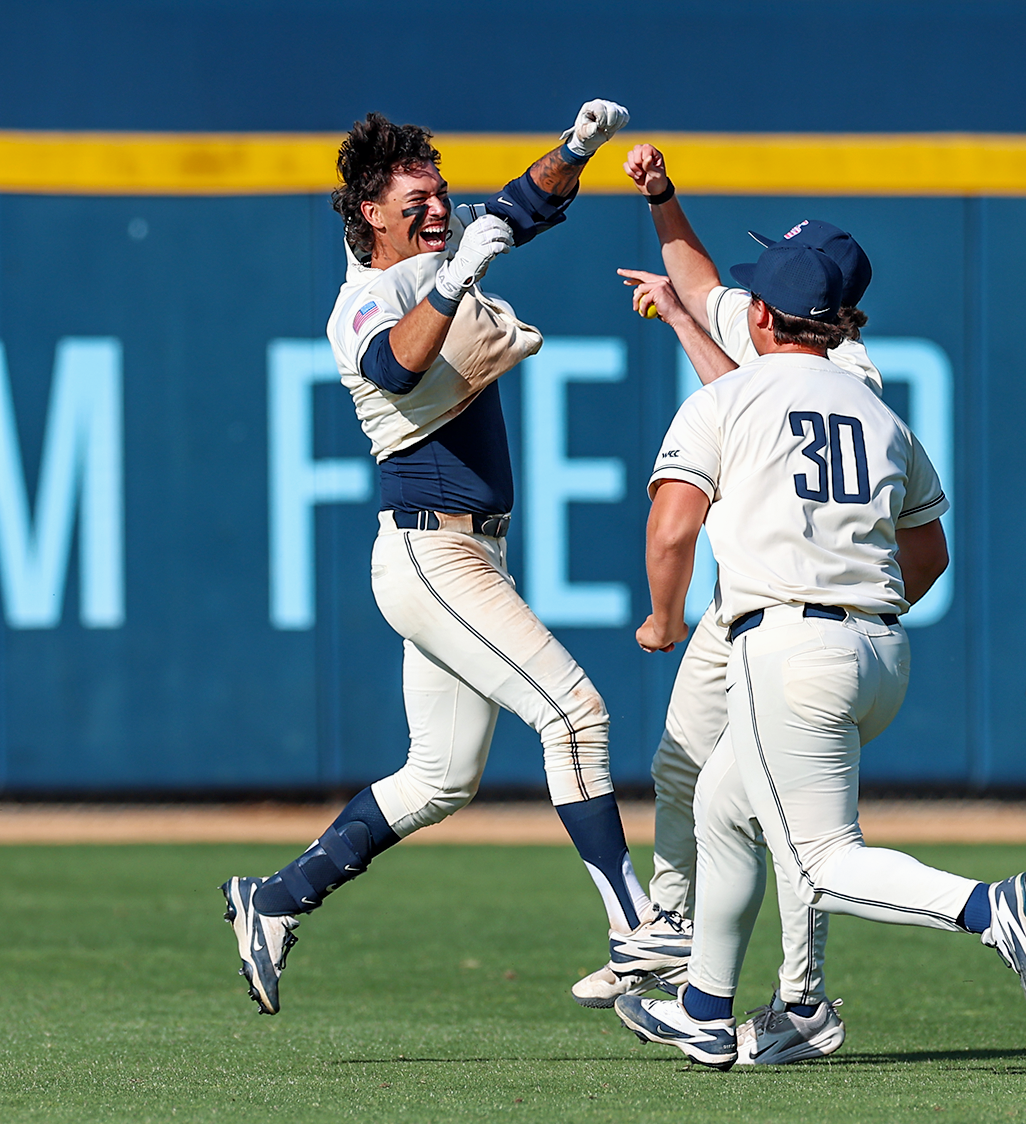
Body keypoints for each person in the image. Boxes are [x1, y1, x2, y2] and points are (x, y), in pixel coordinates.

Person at [219, 101, 690, 1015]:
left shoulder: (446, 248)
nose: (437, 211)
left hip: (465, 551)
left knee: (439, 778)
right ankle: (635, 929)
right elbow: (396, 366)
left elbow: (527, 203)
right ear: (369, 218)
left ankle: (275, 899)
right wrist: (456, 274)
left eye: (438, 193)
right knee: (576, 715)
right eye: (415, 202)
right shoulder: (365, 295)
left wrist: (574, 149)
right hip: (431, 549)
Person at [614, 240, 1026, 1070]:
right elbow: (928, 553)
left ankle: (987, 907)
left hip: (785, 648)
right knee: (722, 803)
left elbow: (673, 526)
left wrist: (664, 619)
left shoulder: (728, 398)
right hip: (879, 650)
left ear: (758, 317)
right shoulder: (878, 410)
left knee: (821, 863)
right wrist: (864, 616)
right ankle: (706, 1013)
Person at [569, 144, 886, 1066]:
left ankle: (802, 1000)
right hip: (744, 604)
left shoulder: (845, 370)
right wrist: (662, 198)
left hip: (800, 612)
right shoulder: (774, 324)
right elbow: (699, 274)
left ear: (795, 302)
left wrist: (674, 320)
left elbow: (744, 407)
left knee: (786, 819)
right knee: (683, 766)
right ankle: (670, 931)